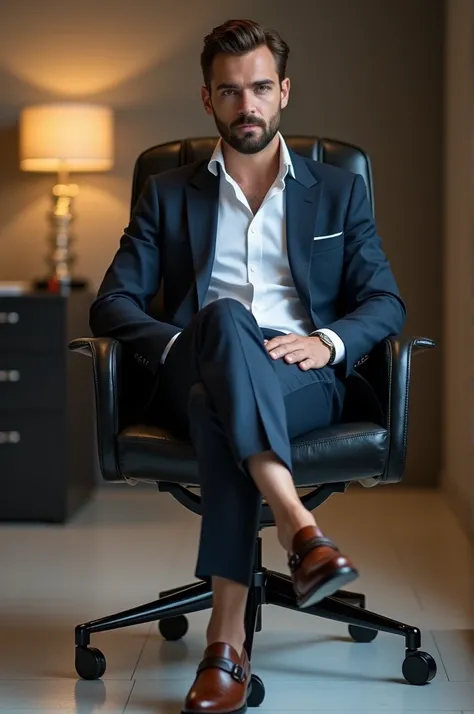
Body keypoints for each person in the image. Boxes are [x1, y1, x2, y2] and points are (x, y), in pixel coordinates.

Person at [90, 18, 406, 714]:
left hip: (302, 382)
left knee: (216, 407)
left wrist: (326, 342)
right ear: (208, 99)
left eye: (261, 88)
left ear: (284, 92)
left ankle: (225, 645)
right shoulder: (168, 192)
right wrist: (183, 340)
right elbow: (112, 303)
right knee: (226, 319)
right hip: (190, 365)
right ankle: (300, 529)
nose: (248, 105)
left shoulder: (337, 190)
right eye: (231, 92)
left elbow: (385, 303)